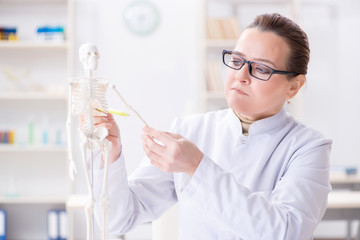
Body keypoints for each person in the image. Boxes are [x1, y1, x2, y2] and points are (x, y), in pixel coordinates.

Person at [90, 13, 332, 240]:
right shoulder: (190, 131)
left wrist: (196, 166)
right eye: (237, 61)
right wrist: (109, 154)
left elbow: (286, 232)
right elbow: (117, 219)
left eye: (260, 69)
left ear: (294, 87)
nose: (241, 75)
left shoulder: (308, 147)